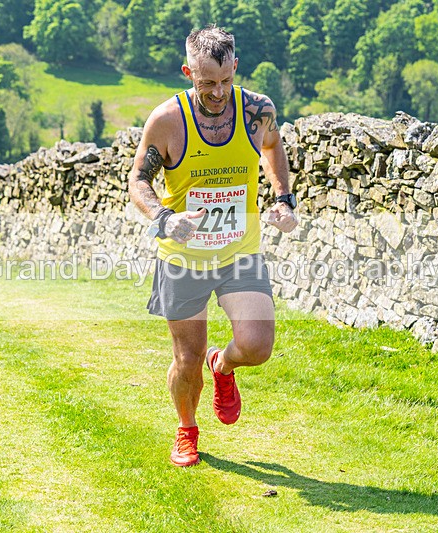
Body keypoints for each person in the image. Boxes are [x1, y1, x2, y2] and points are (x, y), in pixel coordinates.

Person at [128, 25, 299, 467]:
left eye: (225, 80)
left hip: (239, 251)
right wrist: (166, 219)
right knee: (186, 360)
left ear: (235, 68)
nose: (218, 92)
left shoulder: (258, 110)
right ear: (188, 72)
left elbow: (273, 145)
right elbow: (138, 181)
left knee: (258, 346)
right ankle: (186, 430)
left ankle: (222, 365)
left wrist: (282, 200)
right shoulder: (167, 120)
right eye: (206, 83)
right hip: (183, 257)